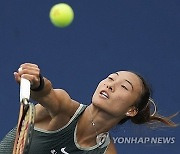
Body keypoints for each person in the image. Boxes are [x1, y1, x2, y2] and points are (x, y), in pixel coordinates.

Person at [0, 63, 177, 154]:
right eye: (110, 78)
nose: (110, 85)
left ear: (131, 110)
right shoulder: (64, 108)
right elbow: (46, 93)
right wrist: (37, 83)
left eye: (124, 87)